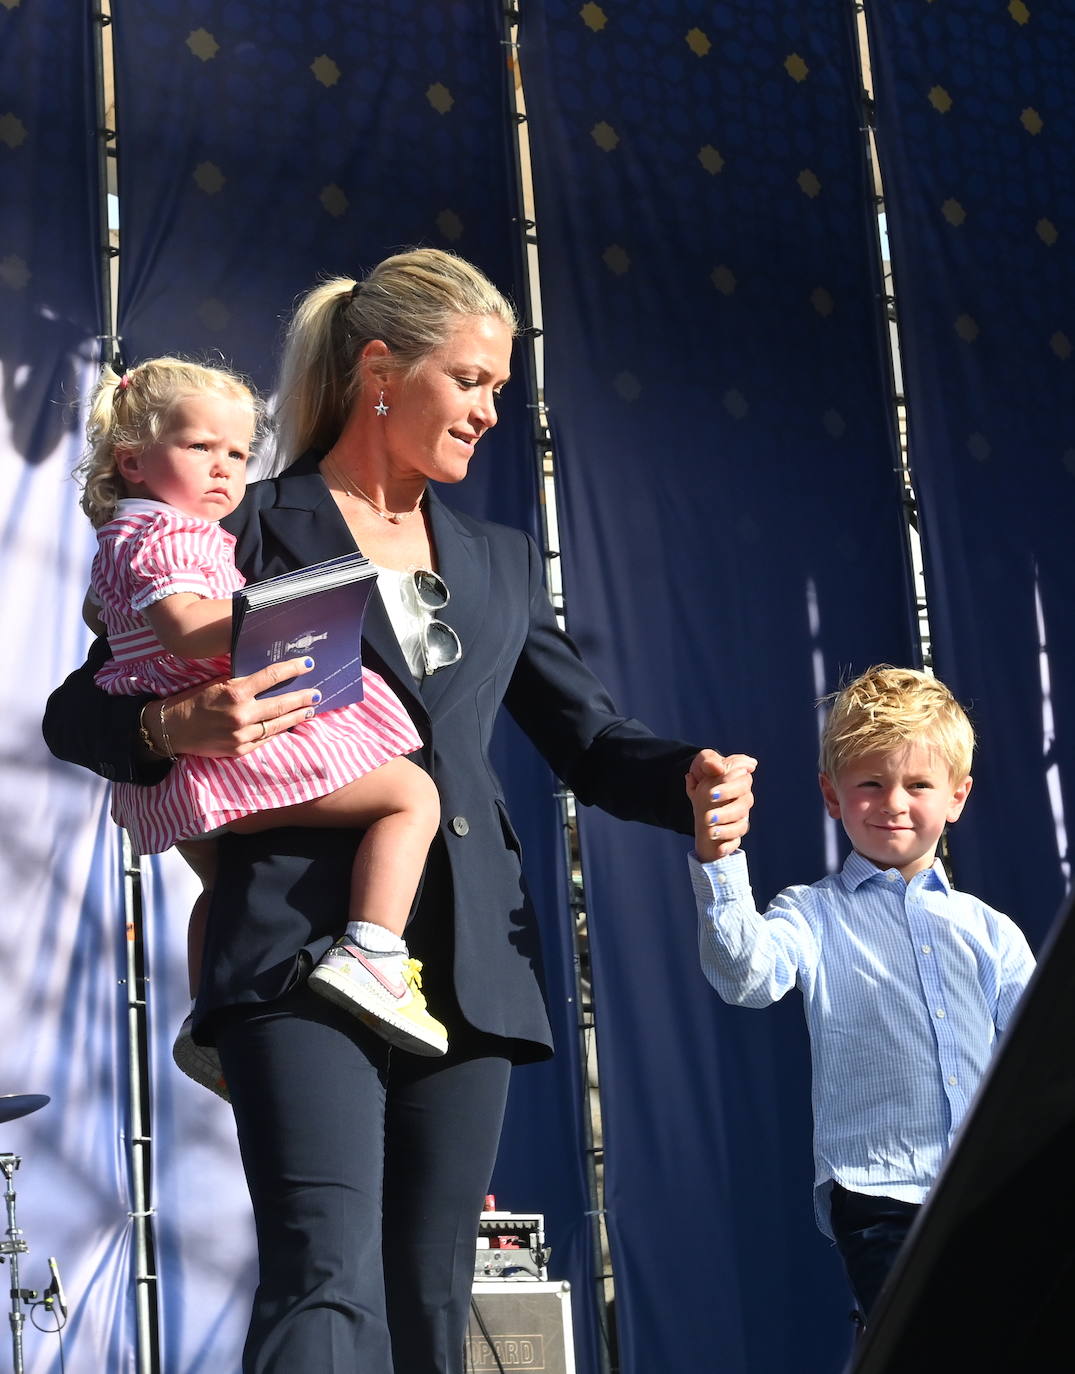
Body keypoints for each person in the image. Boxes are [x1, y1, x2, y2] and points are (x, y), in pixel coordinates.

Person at [43, 247, 756, 1373]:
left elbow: (592, 740)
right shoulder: (238, 520)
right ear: (381, 369)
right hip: (293, 944)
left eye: (498, 392)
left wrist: (691, 781)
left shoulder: (504, 561)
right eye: (469, 380)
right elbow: (80, 708)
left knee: (430, 1301)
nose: (487, 411)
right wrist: (175, 730)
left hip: (467, 965)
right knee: (326, 1277)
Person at [78, 356, 449, 1075]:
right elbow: (186, 629)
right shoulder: (174, 537)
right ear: (132, 462)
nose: (224, 468)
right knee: (412, 795)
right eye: (200, 448)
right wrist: (285, 607)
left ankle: (205, 1020)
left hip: (182, 780)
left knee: (223, 891)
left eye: (238, 454)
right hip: (233, 755)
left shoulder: (119, 539)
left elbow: (103, 616)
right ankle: (374, 951)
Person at [687, 665, 1035, 1324]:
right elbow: (744, 977)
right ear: (831, 795)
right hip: (881, 1198)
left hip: (993, 1194)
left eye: (918, 784)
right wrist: (720, 857)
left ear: (956, 796)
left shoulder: (991, 932)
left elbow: (1037, 1064)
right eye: (870, 784)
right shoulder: (811, 914)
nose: (894, 803)